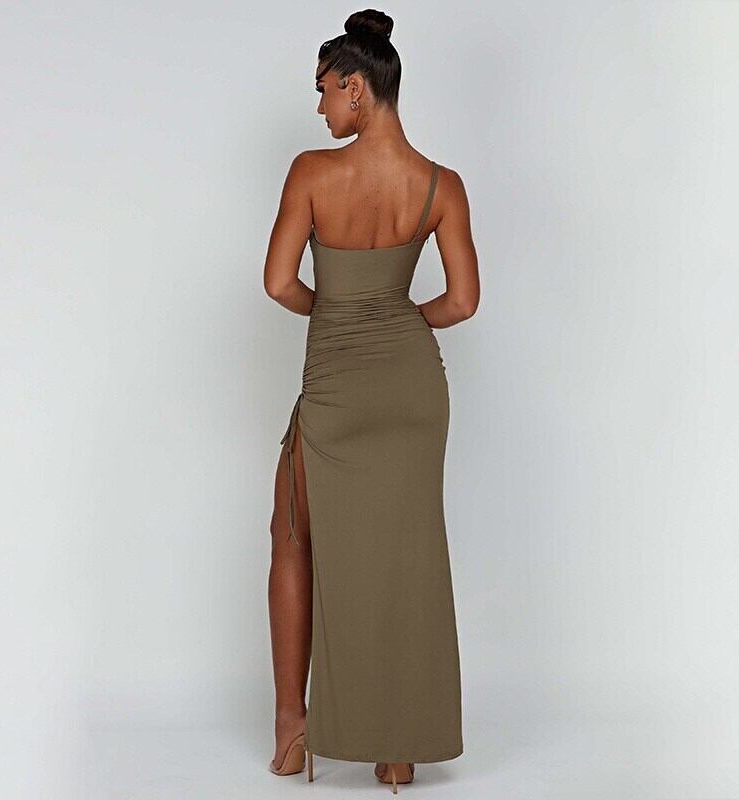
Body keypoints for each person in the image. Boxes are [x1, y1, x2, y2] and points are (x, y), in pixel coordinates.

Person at [263, 9, 479, 792]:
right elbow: (461, 302)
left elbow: (279, 283)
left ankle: (293, 731)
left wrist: (339, 312)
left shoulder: (311, 173)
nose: (321, 107)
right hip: (414, 389)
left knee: (294, 536)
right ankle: (398, 750)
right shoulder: (441, 185)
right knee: (406, 554)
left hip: (337, 385)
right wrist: (396, 318)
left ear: (356, 87)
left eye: (325, 90)